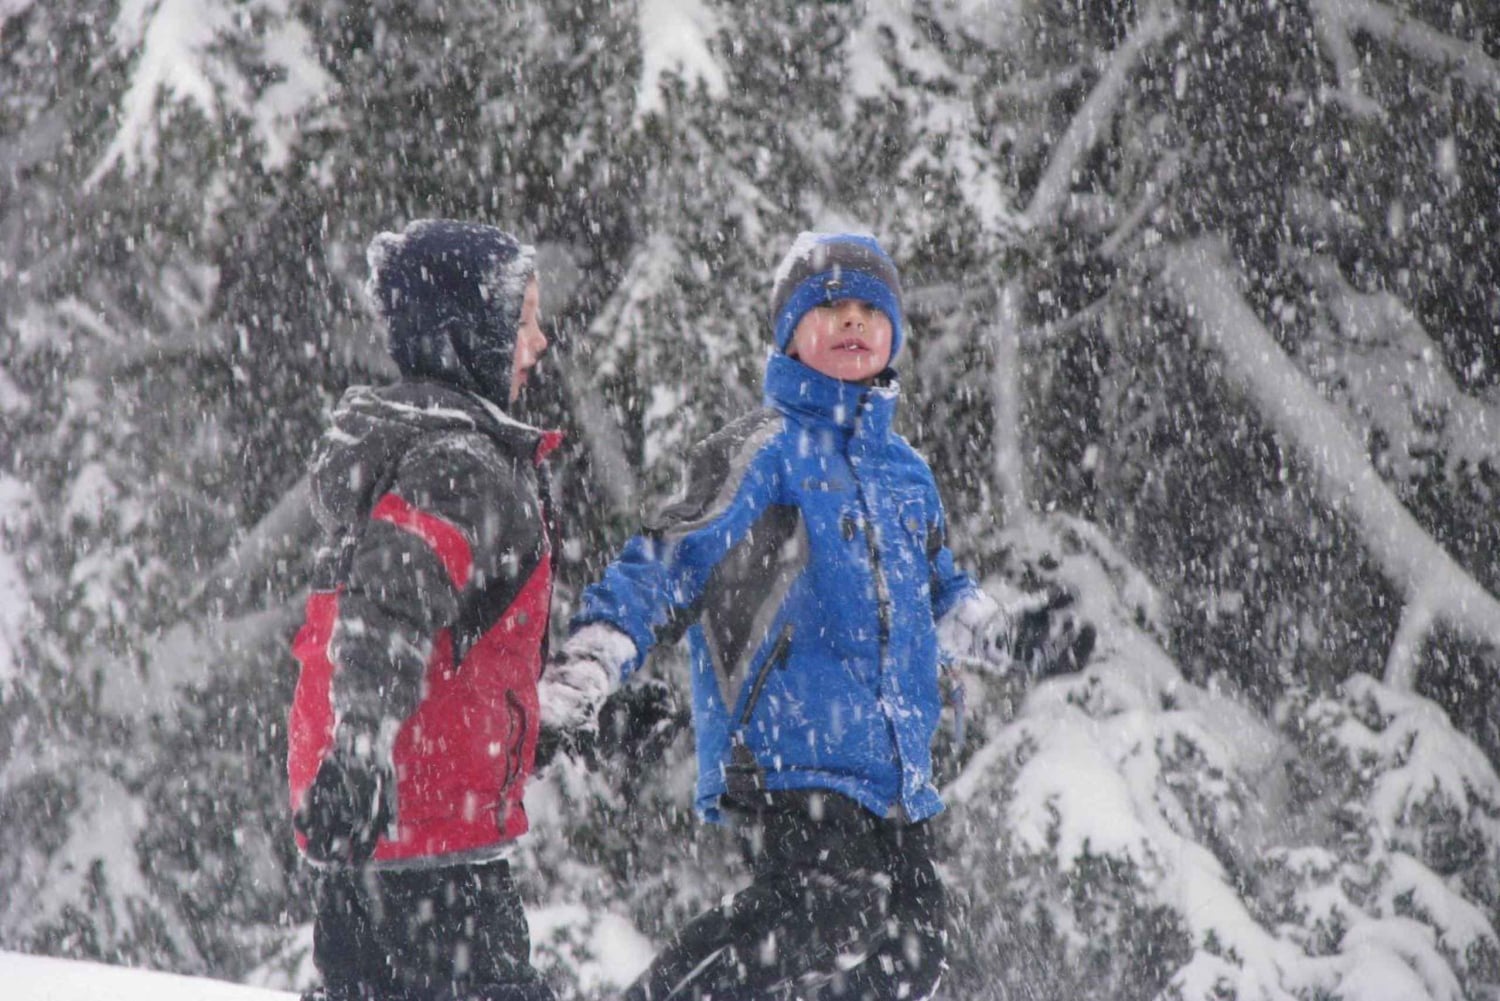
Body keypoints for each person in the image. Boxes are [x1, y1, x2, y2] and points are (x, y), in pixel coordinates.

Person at [539, 232, 1093, 1001]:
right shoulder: (766, 450)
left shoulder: (906, 473)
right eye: (830, 306)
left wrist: (1011, 639)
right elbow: (672, 555)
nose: (853, 321)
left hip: (894, 765)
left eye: (871, 308)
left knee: (912, 949)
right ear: (790, 333)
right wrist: (596, 656)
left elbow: (940, 593)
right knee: (823, 912)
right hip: (793, 741)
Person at [287, 219, 560, 1001]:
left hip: (375, 829)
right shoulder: (459, 463)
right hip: (430, 838)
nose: (537, 340)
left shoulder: (418, 451)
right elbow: (389, 600)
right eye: (523, 318)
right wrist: (366, 744)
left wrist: (570, 718)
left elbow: (455, 660)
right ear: (465, 336)